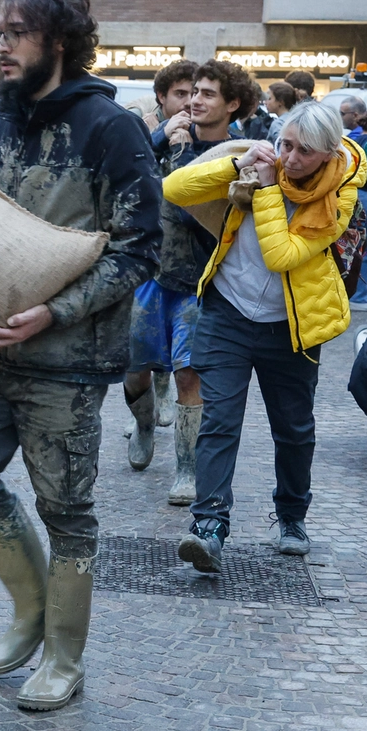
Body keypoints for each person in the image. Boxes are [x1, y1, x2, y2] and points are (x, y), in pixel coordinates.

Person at [0, 0, 162, 712]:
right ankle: (30, 609)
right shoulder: (0, 120)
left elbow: (139, 250)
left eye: (15, 32)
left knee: (67, 508)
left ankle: (64, 655)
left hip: (67, 357)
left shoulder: (111, 127)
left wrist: (53, 311)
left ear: (57, 41)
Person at [168, 100, 366, 573]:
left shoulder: (340, 194)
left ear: (327, 154)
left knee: (294, 429)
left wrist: (267, 189)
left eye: (302, 151)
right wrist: (237, 164)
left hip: (293, 327)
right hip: (227, 312)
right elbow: (173, 188)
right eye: (285, 143)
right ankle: (209, 526)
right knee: (219, 419)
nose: (289, 157)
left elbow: (281, 254)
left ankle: (292, 517)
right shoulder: (259, 163)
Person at [123, 60, 255, 506]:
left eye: (206, 94)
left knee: (188, 376)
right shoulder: (164, 140)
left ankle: (186, 469)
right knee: (134, 373)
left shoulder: (242, 151)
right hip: (149, 275)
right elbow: (126, 166)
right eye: (191, 92)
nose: (194, 101)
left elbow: (187, 205)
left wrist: (178, 152)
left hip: (201, 282)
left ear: (233, 104)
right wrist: (163, 137)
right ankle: (143, 426)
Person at [340, 95, 367, 308]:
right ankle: (364, 295)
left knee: (357, 242)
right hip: (366, 194)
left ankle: (355, 291)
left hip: (353, 193)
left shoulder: (355, 139)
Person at [128, 59, 196, 132]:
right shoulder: (138, 118)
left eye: (194, 94)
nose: (189, 102)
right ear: (161, 97)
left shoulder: (201, 126)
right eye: (181, 94)